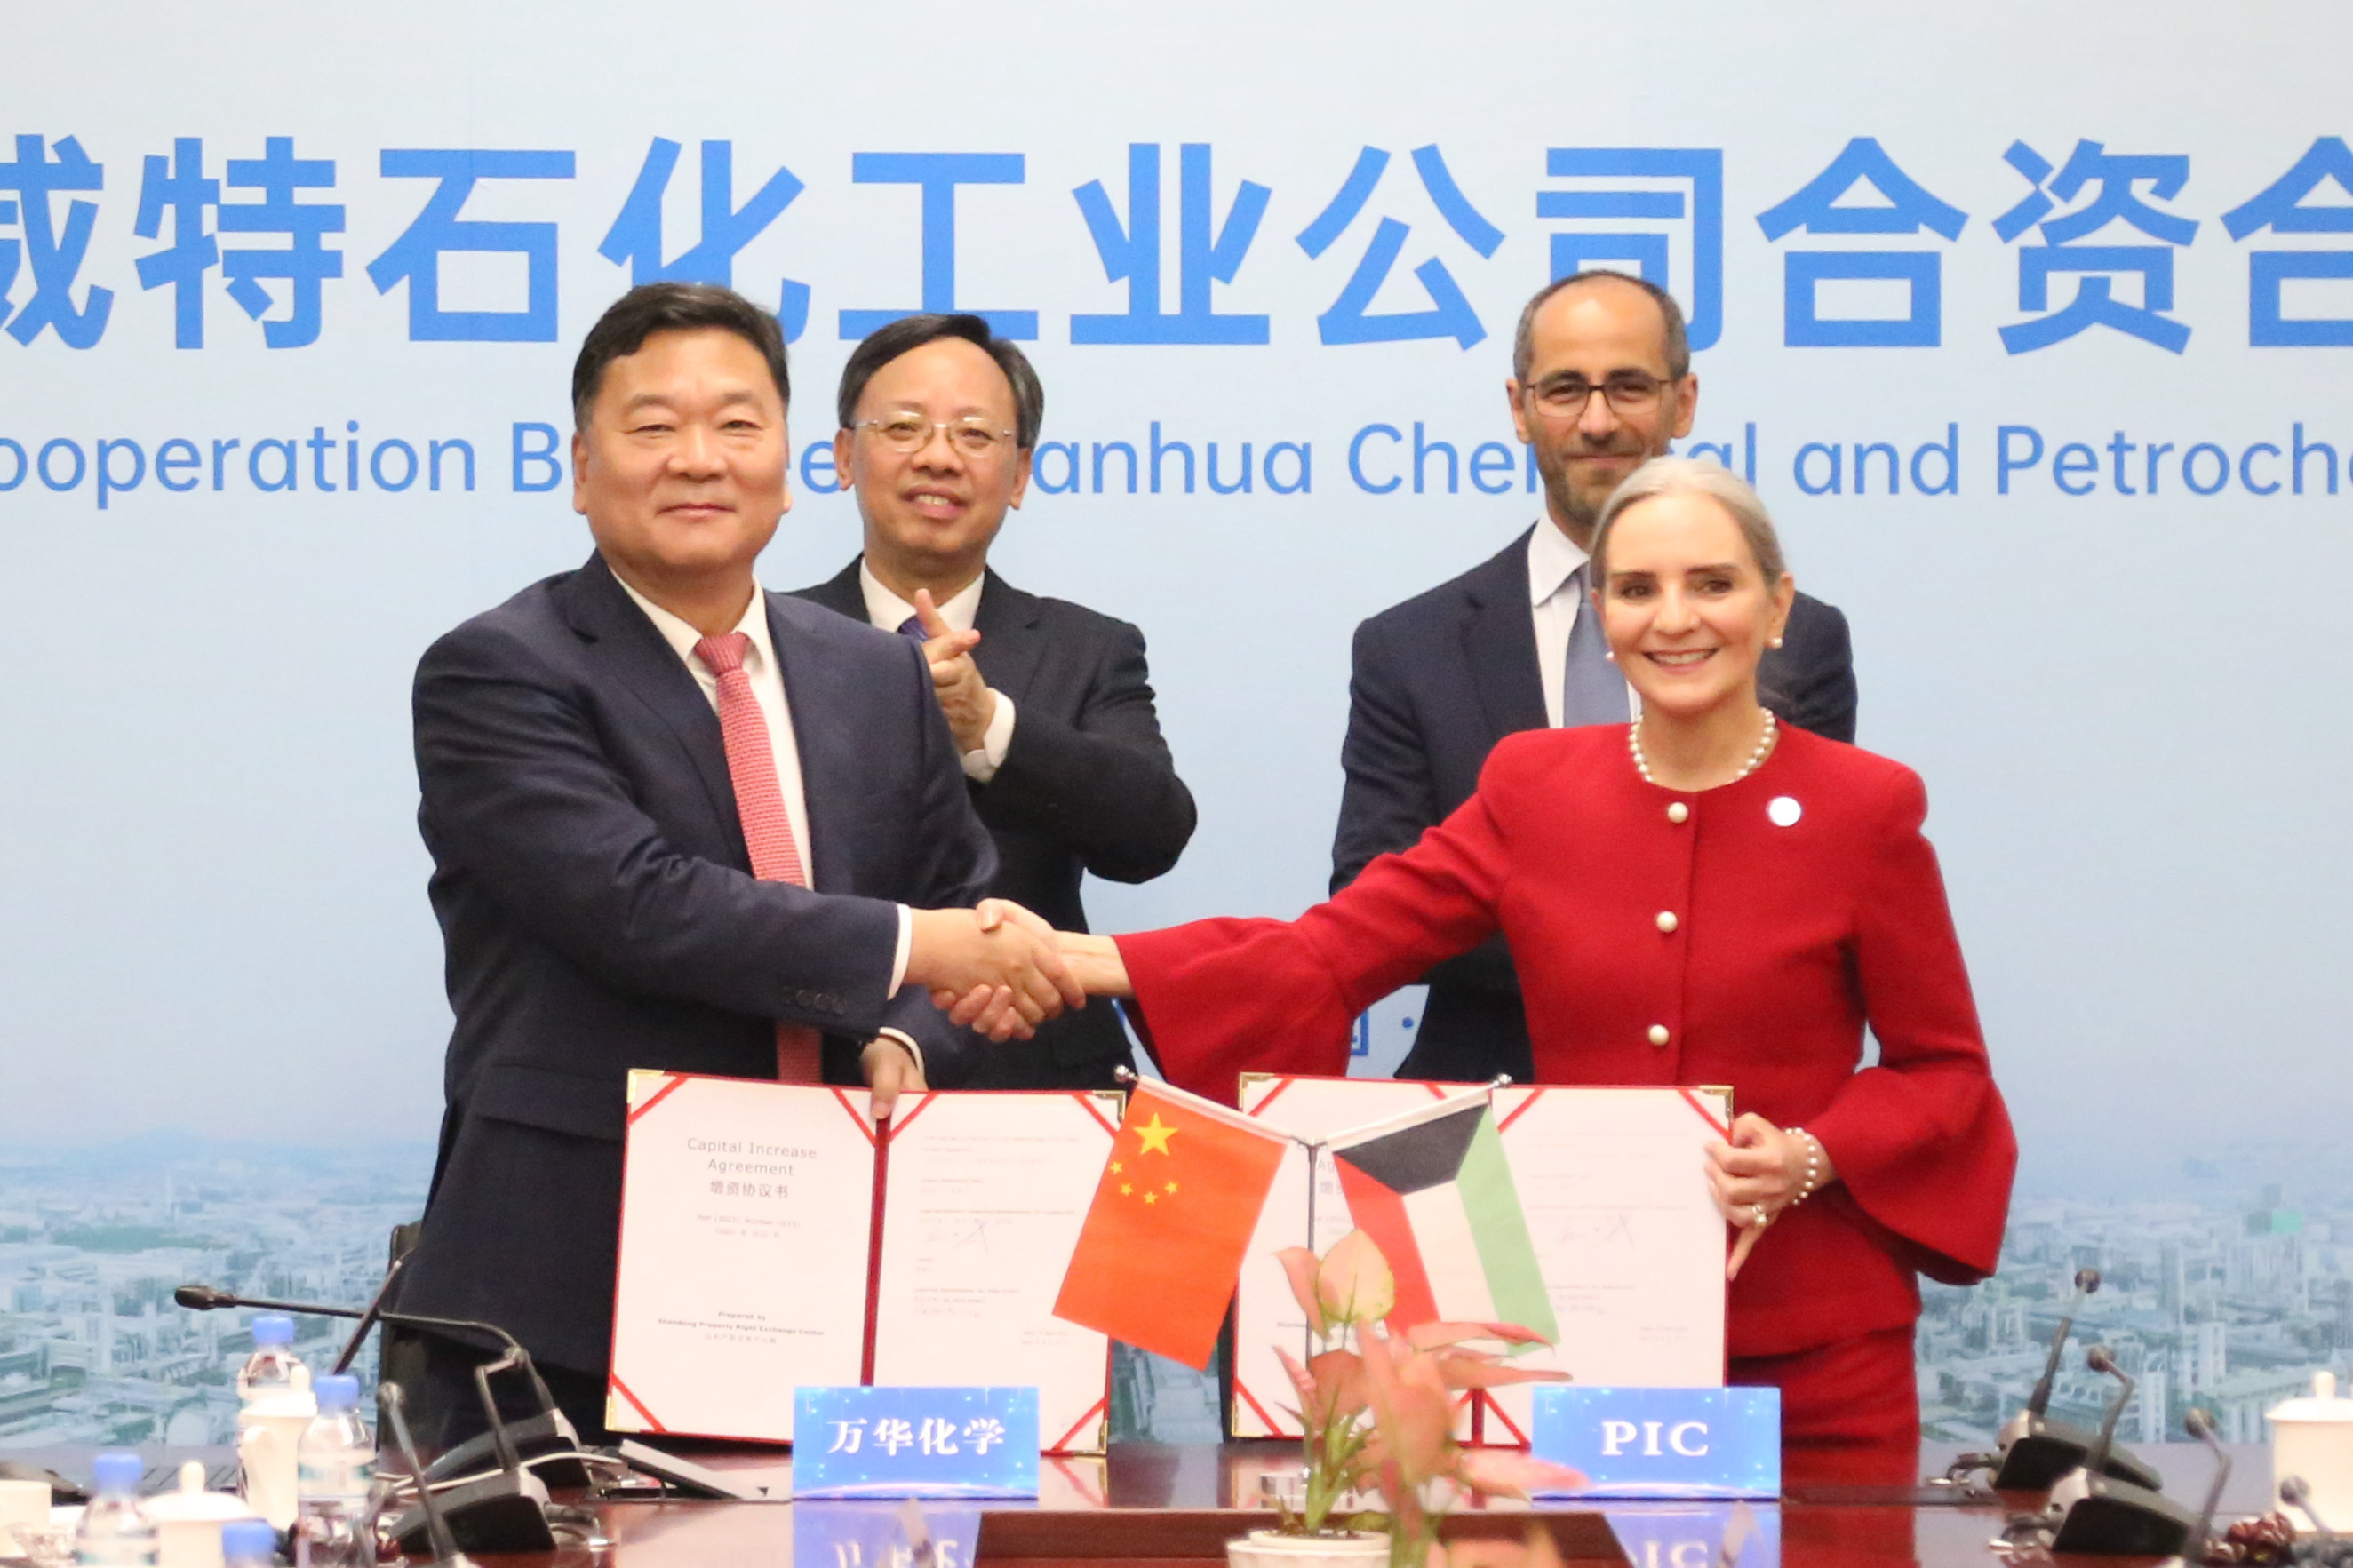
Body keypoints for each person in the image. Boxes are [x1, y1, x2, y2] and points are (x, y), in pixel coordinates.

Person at [1028, 458, 2014, 1470]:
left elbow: (1942, 1071)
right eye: (1637, 589)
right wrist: (1097, 958)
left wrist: (1811, 1152)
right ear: (1603, 616)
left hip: (1813, 1353)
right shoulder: (1532, 787)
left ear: (1777, 608)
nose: (1674, 618)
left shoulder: (1866, 807)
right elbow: (1333, 952)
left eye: (1712, 583)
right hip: (1576, 1335)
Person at [394, 283, 1076, 1441]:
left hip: (850, 1265)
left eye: (737, 424)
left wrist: (913, 1032)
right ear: (581, 466)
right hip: (568, 1295)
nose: (698, 458)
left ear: (794, 463)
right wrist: (926, 948)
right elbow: (641, 906)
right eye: (654, 426)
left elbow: (960, 900)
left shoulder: (877, 675)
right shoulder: (499, 671)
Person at [1335, 271, 1858, 1085]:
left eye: (1629, 387)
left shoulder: (1792, 637)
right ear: (1520, 408)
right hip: (1483, 1111)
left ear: (1683, 402)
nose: (1599, 420)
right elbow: (1375, 895)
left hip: (1727, 1116)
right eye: (1566, 390)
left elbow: (1798, 889)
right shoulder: (1411, 646)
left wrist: (1544, 911)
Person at [795, 314, 1195, 1088]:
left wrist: (990, 729)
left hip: (1035, 1079)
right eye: (903, 427)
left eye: (975, 435)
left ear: (1018, 476)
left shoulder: (1088, 648)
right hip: (813, 1068)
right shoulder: (765, 637)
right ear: (845, 456)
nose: (938, 456)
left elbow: (1153, 835)